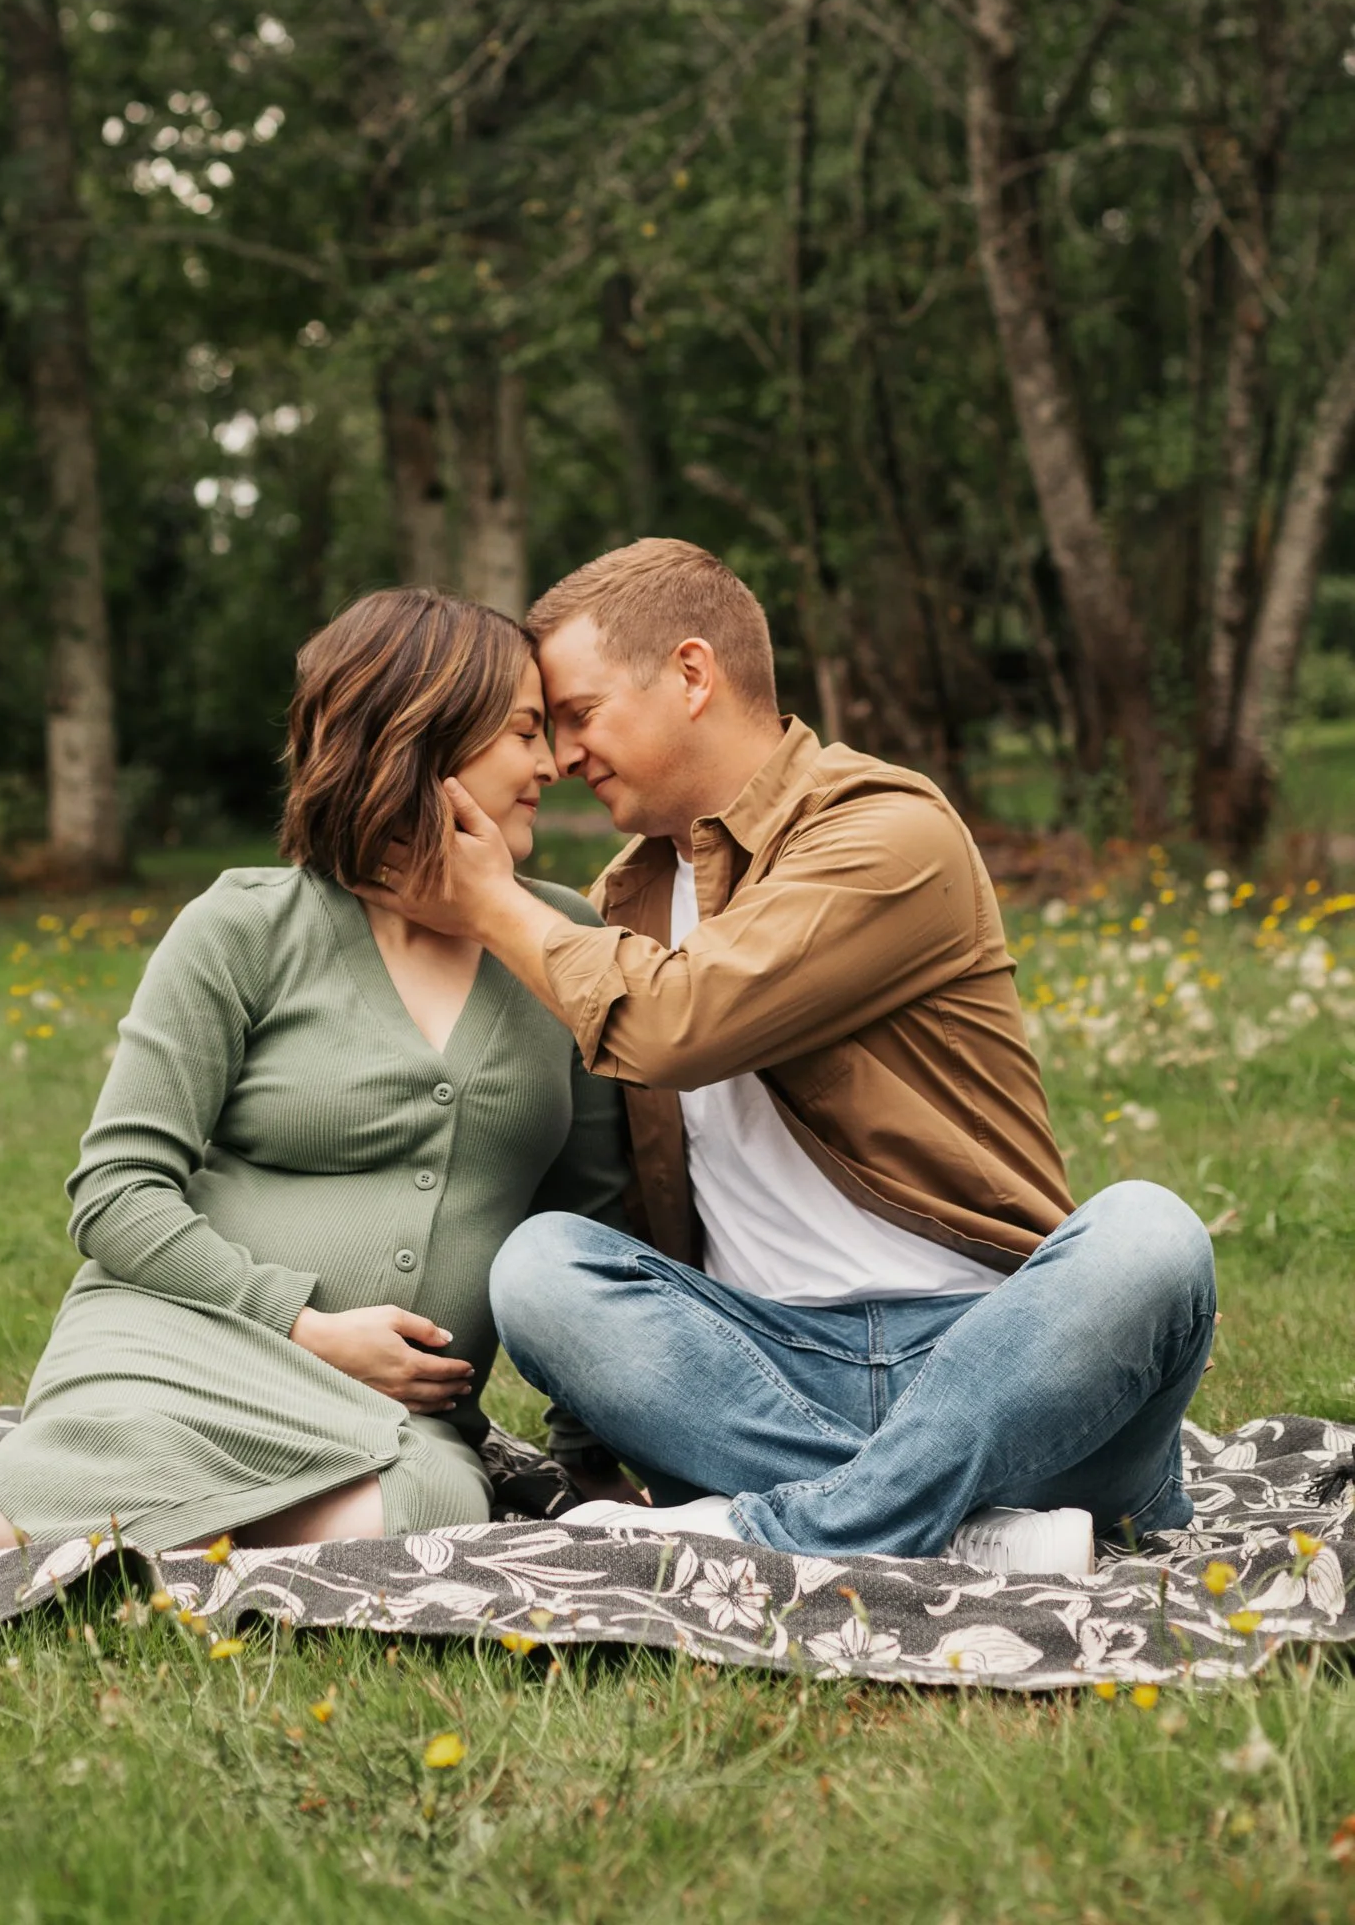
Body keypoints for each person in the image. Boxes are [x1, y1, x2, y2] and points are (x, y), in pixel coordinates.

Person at [0, 590, 631, 1568]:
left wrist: (589, 1466)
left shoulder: (562, 944)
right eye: (522, 733)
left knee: (426, 1511)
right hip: (186, 1343)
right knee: (194, 1469)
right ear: (422, 736)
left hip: (398, 1419)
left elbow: (590, 1220)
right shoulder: (244, 930)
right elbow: (115, 1195)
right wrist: (303, 1324)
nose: (550, 765)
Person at [369, 539, 1218, 1574]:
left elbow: (682, 1022)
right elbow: (602, 1186)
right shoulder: (618, 905)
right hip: (760, 1373)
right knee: (542, 1266)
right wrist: (587, 1461)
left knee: (1151, 1236)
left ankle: (800, 1528)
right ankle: (952, 1528)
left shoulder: (886, 832)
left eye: (580, 714)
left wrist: (493, 902)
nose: (561, 758)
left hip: (1001, 1365)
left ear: (690, 675)